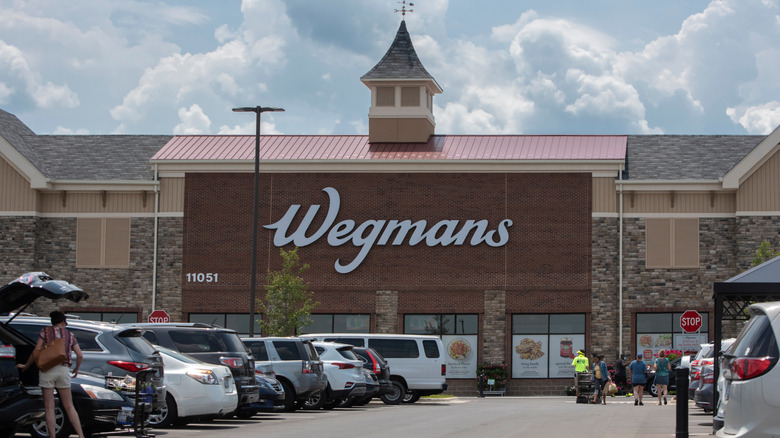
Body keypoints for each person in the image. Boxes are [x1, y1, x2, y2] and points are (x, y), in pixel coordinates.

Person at [18, 311, 85, 438]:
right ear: (64, 321)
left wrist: (26, 366)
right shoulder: (70, 335)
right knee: (69, 406)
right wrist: (76, 369)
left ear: (52, 322)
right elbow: (80, 355)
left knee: (49, 407)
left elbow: (36, 351)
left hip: (47, 370)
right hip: (63, 370)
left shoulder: (46, 332)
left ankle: (52, 436)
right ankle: (81, 435)